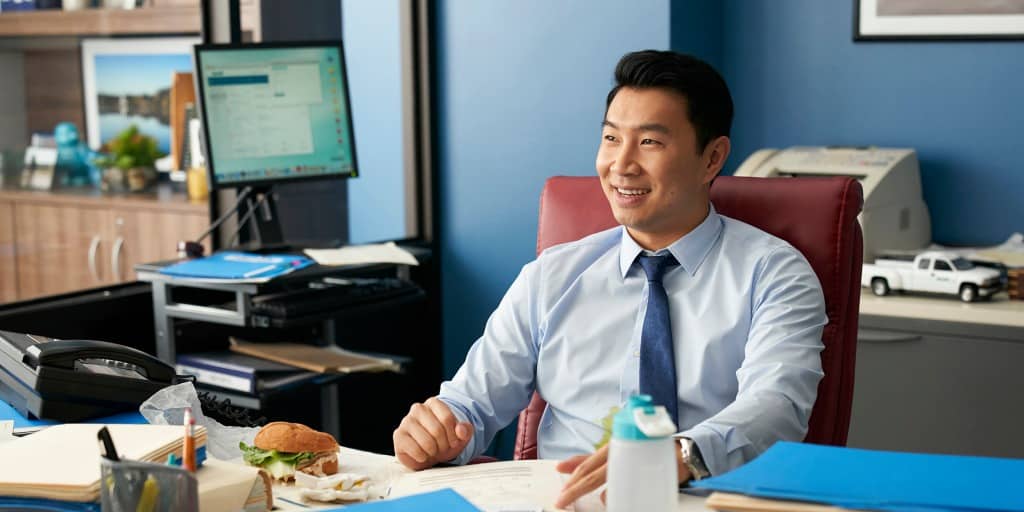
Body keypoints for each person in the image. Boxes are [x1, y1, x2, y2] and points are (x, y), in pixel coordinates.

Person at [392, 50, 827, 508]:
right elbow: (470, 406)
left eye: (650, 143)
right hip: (562, 502)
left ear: (712, 158)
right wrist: (436, 431)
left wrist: (679, 453)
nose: (622, 165)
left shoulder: (775, 274)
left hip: (708, 502)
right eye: (611, 138)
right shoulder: (552, 276)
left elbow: (778, 406)